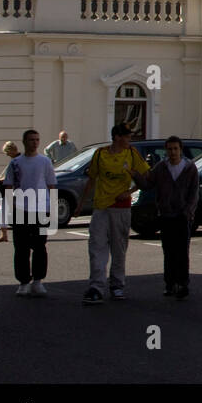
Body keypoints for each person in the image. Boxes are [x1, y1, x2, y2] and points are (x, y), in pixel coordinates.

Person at [79, 124, 149, 305]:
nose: (129, 140)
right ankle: (96, 286)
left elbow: (146, 177)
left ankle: (117, 285)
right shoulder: (100, 154)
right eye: (127, 137)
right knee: (97, 246)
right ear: (117, 137)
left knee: (119, 248)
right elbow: (92, 179)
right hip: (101, 207)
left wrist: (130, 191)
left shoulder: (132, 154)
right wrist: (80, 205)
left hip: (121, 207)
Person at [128, 136, 198, 299]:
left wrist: (188, 212)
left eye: (175, 149)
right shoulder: (161, 168)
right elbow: (147, 184)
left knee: (182, 252)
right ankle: (169, 283)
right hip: (166, 215)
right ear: (166, 151)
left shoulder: (190, 168)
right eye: (169, 149)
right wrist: (135, 175)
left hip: (182, 216)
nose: (173, 152)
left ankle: (182, 283)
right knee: (168, 251)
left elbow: (193, 193)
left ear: (180, 150)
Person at [3, 129, 56, 297]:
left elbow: (51, 185)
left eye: (37, 139)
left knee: (40, 246)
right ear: (24, 142)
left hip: (41, 208)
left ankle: (38, 280)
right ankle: (24, 281)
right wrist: (11, 208)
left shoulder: (45, 161)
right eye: (31, 139)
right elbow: (8, 185)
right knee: (21, 247)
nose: (35, 142)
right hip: (21, 209)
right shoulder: (16, 163)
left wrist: (52, 208)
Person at [0, 140, 18, 243]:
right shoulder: (18, 159)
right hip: (16, 190)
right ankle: (4, 235)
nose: (6, 155)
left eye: (7, 152)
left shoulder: (15, 161)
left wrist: (0, 181)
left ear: (11, 150)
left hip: (14, 190)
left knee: (3, 212)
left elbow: (12, 177)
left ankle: (4, 235)